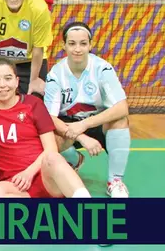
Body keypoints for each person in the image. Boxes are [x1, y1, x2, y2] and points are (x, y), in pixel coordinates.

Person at [0, 57, 91, 198]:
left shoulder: (33, 103)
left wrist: (28, 173)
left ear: (17, 81)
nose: (2, 85)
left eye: (8, 78)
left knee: (53, 158)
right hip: (14, 184)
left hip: (43, 176)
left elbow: (51, 148)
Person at [44, 22, 130, 197]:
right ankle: (74, 160)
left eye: (83, 43)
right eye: (72, 43)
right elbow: (49, 117)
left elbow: (122, 108)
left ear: (90, 45)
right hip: (67, 126)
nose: (77, 49)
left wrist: (85, 125)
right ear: (64, 46)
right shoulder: (55, 74)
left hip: (97, 121)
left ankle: (115, 181)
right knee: (48, 138)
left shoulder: (103, 69)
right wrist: (81, 137)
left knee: (120, 121)